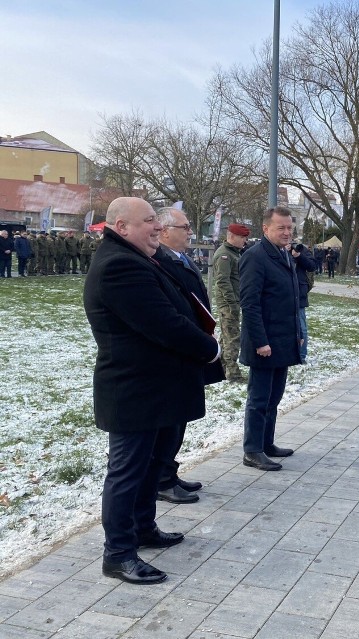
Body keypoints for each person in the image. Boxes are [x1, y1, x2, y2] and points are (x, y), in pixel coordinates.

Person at [83, 197, 220, 585]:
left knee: (148, 467)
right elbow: (163, 323)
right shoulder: (119, 265)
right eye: (149, 222)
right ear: (121, 226)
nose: (157, 227)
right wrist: (209, 348)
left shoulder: (137, 256)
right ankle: (119, 554)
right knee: (127, 473)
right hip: (133, 390)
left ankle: (143, 528)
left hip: (153, 386)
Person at [153, 207, 226, 504]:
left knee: (180, 418)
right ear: (165, 230)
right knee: (170, 420)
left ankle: (170, 471)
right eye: (184, 227)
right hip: (178, 351)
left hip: (194, 345)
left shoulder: (180, 258)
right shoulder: (159, 261)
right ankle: (162, 479)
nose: (190, 233)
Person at [239, 206, 300, 472]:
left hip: (283, 339)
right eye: (281, 228)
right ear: (266, 229)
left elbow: (291, 299)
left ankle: (266, 442)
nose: (287, 233)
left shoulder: (283, 254)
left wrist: (296, 334)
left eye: (289, 228)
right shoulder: (256, 256)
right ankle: (252, 450)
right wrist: (260, 341)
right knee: (259, 398)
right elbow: (250, 304)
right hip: (264, 342)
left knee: (274, 397)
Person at [210, 224, 251, 381]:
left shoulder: (233, 253)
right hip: (229, 303)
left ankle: (221, 368)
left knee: (227, 336)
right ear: (232, 236)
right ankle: (232, 374)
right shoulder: (224, 255)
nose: (244, 241)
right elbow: (222, 281)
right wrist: (231, 303)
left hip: (234, 301)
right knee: (232, 338)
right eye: (242, 238)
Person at [292, 242, 316, 362]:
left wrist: (298, 255)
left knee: (301, 326)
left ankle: (301, 355)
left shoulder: (301, 249)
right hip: (282, 294)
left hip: (299, 293)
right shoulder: (277, 248)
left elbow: (312, 266)